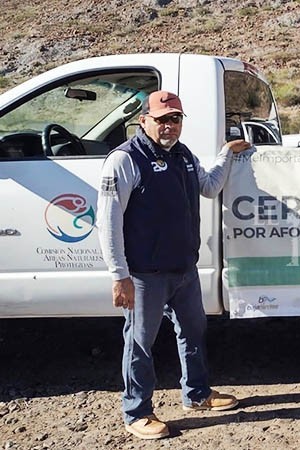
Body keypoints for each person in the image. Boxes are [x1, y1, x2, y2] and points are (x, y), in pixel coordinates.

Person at [96, 90, 252, 440]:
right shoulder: (125, 160)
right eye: (162, 119)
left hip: (184, 269)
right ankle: (136, 412)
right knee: (139, 343)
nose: (169, 125)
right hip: (144, 275)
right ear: (144, 121)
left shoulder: (183, 155)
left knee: (193, 332)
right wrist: (119, 275)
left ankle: (196, 395)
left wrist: (226, 155)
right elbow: (106, 222)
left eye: (175, 118)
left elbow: (210, 187)